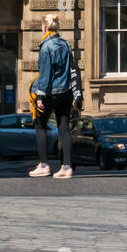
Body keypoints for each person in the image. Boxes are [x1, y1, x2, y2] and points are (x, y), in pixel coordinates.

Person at [28, 15, 82, 179]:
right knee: (64, 127)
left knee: (40, 124)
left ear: (44, 27)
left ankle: (44, 165)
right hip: (67, 92)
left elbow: (45, 74)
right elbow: (71, 68)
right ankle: (66, 167)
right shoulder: (66, 44)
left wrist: (40, 96)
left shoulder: (46, 47)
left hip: (52, 92)